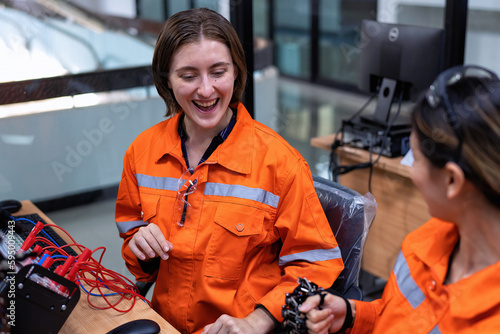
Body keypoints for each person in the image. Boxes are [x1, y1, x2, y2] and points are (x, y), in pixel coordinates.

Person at [114, 7, 344, 334]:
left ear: (236, 72)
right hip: (163, 324)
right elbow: (133, 246)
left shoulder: (280, 163)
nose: (206, 90)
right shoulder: (142, 151)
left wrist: (257, 321)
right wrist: (141, 250)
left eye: (218, 72)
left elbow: (317, 265)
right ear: (166, 79)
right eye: (188, 75)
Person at [299, 65, 500, 333]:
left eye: (414, 159)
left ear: (452, 180)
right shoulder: (423, 245)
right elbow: (397, 316)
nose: (409, 171)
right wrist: (352, 314)